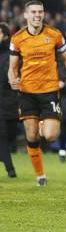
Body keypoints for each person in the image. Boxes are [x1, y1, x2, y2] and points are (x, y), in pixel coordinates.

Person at [8, 0, 66, 186]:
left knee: (50, 136)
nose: (37, 15)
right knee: (31, 137)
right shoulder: (17, 38)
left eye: (40, 12)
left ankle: (42, 124)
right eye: (33, 12)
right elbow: (12, 67)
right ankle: (40, 176)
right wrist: (12, 79)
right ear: (26, 15)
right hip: (27, 93)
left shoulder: (54, 35)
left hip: (49, 92)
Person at [0, 22, 17, 178]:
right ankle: (10, 169)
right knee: (3, 134)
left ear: (5, 35)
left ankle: (3, 154)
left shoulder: (11, 54)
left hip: (10, 101)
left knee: (11, 134)